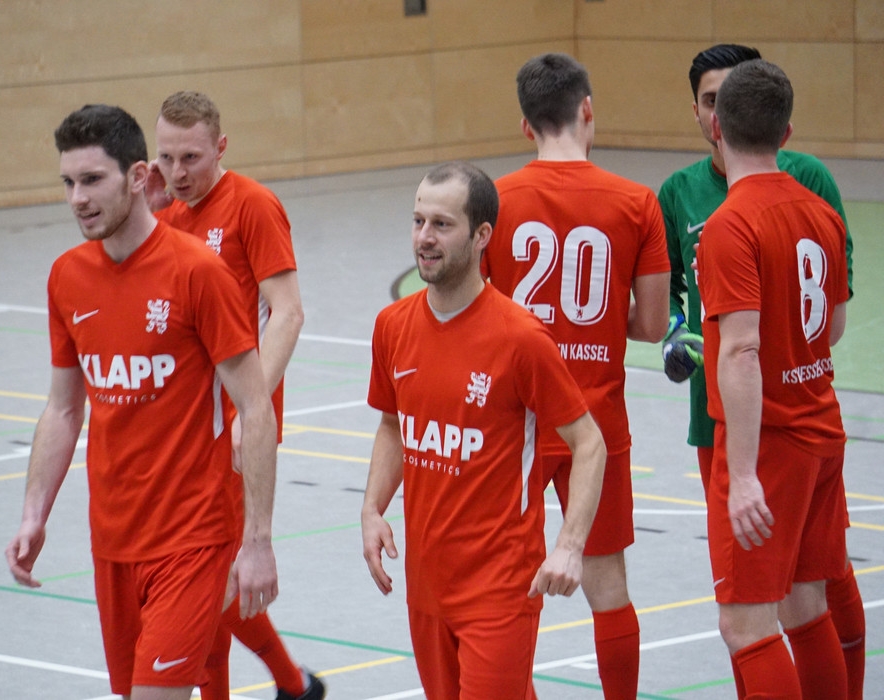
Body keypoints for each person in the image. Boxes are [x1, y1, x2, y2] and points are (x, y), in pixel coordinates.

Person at [5, 104, 279, 700]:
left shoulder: (198, 273)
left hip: (191, 538)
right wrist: (33, 513)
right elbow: (63, 409)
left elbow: (256, 407)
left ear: (135, 177)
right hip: (112, 541)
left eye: (92, 179)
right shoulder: (66, 277)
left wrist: (257, 542)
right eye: (68, 182)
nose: (78, 198)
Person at [658, 44, 864, 698]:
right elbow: (831, 326)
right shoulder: (820, 211)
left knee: (745, 626)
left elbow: (741, 351)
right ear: (786, 132)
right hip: (820, 428)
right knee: (805, 607)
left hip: (767, 443)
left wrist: (743, 473)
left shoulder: (728, 224)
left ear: (718, 124)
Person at [362, 161, 607, 699]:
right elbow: (392, 425)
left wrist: (570, 546)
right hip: (427, 586)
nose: (424, 238)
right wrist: (372, 509)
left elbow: (589, 442)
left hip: (500, 586)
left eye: (442, 225)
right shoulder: (393, 327)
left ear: (481, 236)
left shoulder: (521, 339)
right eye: (418, 221)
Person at [482, 53, 670, 699]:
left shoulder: (494, 200)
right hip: (597, 420)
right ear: (587, 109)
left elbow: (477, 315)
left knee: (507, 586)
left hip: (516, 424)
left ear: (525, 124)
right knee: (608, 586)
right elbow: (651, 324)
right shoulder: (637, 202)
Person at [146, 91, 322, 700]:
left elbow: (288, 313)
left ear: (220, 147)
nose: (177, 172)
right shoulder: (166, 216)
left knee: (206, 582)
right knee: (207, 580)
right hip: (185, 430)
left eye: (191, 157)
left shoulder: (252, 206)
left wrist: (254, 407)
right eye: (166, 157)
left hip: (236, 427)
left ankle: (289, 683)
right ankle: (294, 685)